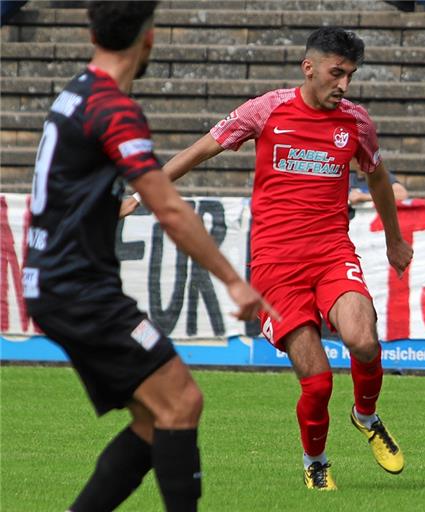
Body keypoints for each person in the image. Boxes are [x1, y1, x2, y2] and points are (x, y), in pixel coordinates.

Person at [126, 26, 413, 491]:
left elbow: (378, 180)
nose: (343, 85)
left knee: (363, 340)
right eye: (336, 73)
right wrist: (140, 195)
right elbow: (200, 150)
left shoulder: (355, 122)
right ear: (309, 67)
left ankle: (366, 415)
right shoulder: (267, 110)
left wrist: (394, 240)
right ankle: (316, 461)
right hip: (276, 266)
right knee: (317, 381)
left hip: (331, 251)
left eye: (350, 76)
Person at [22, 3, 275, 511]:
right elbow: (170, 210)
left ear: (90, 32)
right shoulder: (112, 108)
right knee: (182, 402)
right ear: (149, 40)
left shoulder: (75, 93)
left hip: (55, 283)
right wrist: (234, 280)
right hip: (76, 288)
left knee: (154, 418)